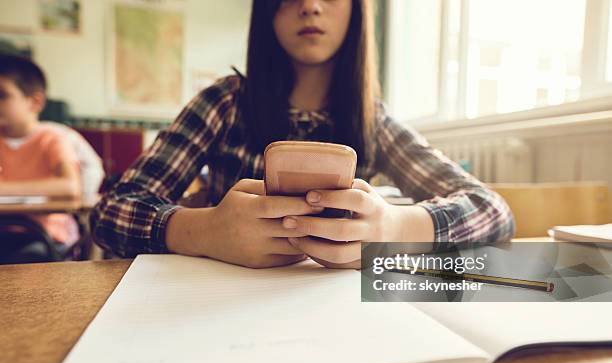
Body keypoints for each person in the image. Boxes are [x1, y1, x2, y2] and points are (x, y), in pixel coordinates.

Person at [91, 0, 515, 269]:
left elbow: (492, 210)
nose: (310, 6)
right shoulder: (224, 102)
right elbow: (111, 213)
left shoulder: (375, 121)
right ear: (267, 12)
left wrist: (394, 225)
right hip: (223, 307)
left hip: (337, 317)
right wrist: (205, 230)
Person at [0, 54, 80, 263]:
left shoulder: (53, 138)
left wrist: (4, 188)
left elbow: (70, 187)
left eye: (2, 95)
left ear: (34, 102)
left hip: (44, 234)